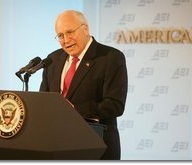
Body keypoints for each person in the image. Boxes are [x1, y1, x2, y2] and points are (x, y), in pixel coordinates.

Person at [39, 10, 128, 160]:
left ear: (85, 29)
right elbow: (44, 100)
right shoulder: (53, 59)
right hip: (57, 146)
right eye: (60, 36)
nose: (66, 40)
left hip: (96, 147)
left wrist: (73, 109)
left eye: (70, 32)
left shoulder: (110, 57)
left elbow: (115, 105)